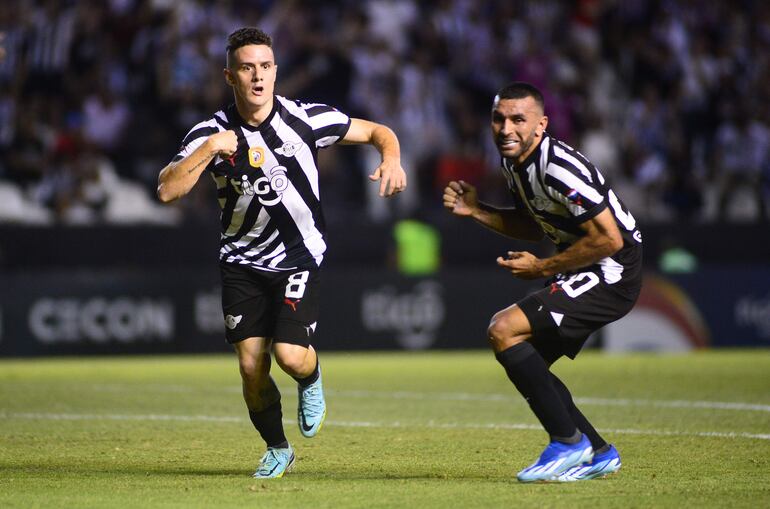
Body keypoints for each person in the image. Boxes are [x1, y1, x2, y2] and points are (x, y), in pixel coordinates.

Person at [157, 27, 406, 479]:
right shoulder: (209, 133)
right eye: (247, 68)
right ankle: (277, 447)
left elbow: (378, 131)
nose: (258, 77)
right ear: (229, 75)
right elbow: (167, 190)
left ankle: (310, 379)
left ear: (276, 71)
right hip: (241, 260)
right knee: (252, 368)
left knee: (290, 356)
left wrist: (390, 158)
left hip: (298, 256)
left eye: (266, 67)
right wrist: (211, 149)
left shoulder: (305, 118)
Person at [443, 82, 642, 483]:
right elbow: (535, 227)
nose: (506, 128)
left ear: (541, 124)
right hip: (588, 266)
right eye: (499, 118)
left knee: (504, 329)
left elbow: (609, 238)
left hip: (612, 269)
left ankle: (568, 443)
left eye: (518, 119)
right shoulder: (516, 163)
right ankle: (598, 451)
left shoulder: (557, 167)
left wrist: (543, 268)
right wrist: (478, 210)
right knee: (527, 356)